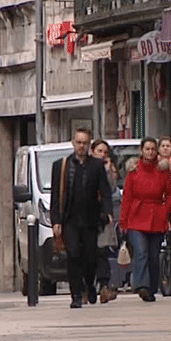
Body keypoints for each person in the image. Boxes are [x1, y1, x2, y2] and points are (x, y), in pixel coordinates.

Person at [50, 128, 113, 308]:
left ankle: (89, 285)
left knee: (90, 257)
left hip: (91, 219)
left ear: (89, 144)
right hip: (70, 219)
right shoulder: (61, 166)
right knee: (73, 255)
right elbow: (56, 196)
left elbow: (105, 191)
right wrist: (56, 221)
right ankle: (76, 295)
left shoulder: (96, 165)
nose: (81, 146)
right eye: (78, 142)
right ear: (73, 143)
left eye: (85, 143)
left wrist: (108, 212)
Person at [120, 137, 171, 302]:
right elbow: (127, 198)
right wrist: (124, 221)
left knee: (153, 255)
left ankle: (151, 287)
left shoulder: (163, 171)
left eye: (153, 149)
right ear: (142, 150)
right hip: (136, 217)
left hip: (157, 217)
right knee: (141, 252)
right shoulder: (134, 171)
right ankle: (142, 286)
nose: (150, 152)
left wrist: (165, 210)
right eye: (147, 149)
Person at [91, 139, 119, 304]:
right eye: (99, 151)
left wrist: (109, 171)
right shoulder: (86, 167)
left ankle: (104, 286)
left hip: (102, 216)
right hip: (86, 216)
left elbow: (111, 189)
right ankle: (88, 287)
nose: (102, 155)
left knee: (102, 252)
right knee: (88, 254)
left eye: (105, 152)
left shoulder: (108, 170)